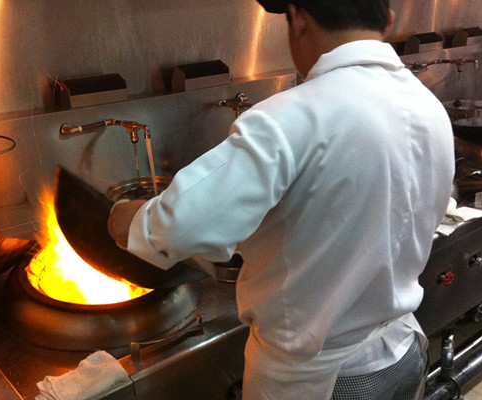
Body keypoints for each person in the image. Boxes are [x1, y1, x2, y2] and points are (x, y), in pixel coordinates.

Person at [108, 0, 455, 398]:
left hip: (320, 380)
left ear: (300, 20)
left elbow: (178, 227)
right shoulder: (428, 107)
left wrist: (128, 218)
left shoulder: (290, 117)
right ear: (388, 21)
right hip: (402, 356)